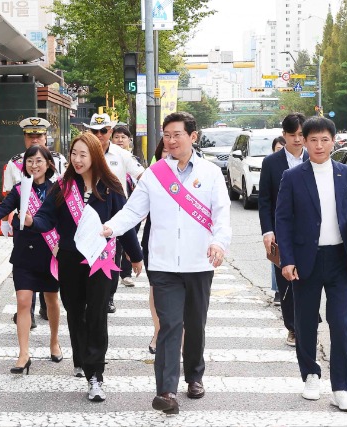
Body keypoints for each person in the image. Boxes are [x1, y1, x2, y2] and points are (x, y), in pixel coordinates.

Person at [102, 112, 232, 414]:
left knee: (195, 324)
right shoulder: (155, 174)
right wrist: (110, 227)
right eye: (167, 135)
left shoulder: (211, 173)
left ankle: (194, 375)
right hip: (162, 265)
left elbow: (222, 215)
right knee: (170, 324)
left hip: (199, 263)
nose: (171, 141)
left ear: (193, 136)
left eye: (177, 134)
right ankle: (166, 391)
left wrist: (218, 243)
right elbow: (133, 211)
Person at [24, 133, 143, 402]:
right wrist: (32, 221)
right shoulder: (63, 187)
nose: (77, 160)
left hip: (102, 261)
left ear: (95, 156)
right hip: (70, 260)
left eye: (83, 155)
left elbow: (124, 224)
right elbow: (46, 218)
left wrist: (136, 256)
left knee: (98, 314)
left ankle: (95, 375)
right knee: (76, 311)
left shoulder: (112, 187)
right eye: (73, 154)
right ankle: (81, 357)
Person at [275, 116, 347, 412]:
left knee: (341, 323)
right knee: (305, 321)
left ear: (333, 141)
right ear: (303, 140)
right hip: (305, 260)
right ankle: (311, 375)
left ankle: (342, 387)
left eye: (324, 140)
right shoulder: (293, 177)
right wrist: (287, 260)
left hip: (339, 259)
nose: (318, 145)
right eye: (312, 139)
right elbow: (284, 221)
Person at [0, 145, 63, 373]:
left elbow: (63, 220)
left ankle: (54, 341)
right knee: (23, 301)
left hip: (50, 253)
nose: (34, 165)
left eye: (39, 161)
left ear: (48, 164)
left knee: (51, 300)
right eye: (30, 161)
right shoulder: (21, 190)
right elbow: (3, 208)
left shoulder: (56, 191)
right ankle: (23, 353)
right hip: (24, 253)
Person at [3, 117, 67, 326]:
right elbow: (8, 195)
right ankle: (27, 313)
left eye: (39, 136)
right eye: (30, 137)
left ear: (46, 136)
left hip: (50, 229)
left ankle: (45, 306)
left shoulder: (59, 161)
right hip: (24, 229)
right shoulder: (14, 163)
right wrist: (5, 221)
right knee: (26, 268)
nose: (35, 140)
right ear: (24, 139)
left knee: (48, 268)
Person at [85, 114, 145, 313]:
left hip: (115, 214)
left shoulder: (122, 154)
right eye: (95, 131)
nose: (99, 135)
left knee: (112, 258)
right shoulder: (82, 153)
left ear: (110, 131)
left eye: (103, 131)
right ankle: (89, 297)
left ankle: (109, 297)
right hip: (86, 214)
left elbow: (143, 177)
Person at [257, 113, 308, 346]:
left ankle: (307, 321)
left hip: (310, 232)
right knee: (286, 280)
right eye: (292, 135)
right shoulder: (271, 163)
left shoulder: (315, 158)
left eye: (301, 134)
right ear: (284, 135)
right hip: (280, 233)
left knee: (309, 279)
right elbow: (265, 200)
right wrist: (267, 231)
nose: (297, 140)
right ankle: (293, 327)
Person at [142, 139, 168, 354]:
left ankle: (182, 337)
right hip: (154, 236)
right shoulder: (152, 176)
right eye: (165, 151)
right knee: (155, 287)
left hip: (186, 243)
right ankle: (158, 330)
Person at [112, 126, 142, 287]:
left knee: (129, 240)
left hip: (132, 208)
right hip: (116, 207)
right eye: (116, 137)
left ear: (129, 140)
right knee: (115, 244)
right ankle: (114, 276)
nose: (120, 140)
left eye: (123, 137)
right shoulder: (106, 159)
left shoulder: (133, 160)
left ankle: (126, 273)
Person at [269, 136, 286, 305]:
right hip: (276, 221)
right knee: (276, 258)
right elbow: (265, 200)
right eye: (278, 148)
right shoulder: (271, 165)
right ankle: (277, 291)